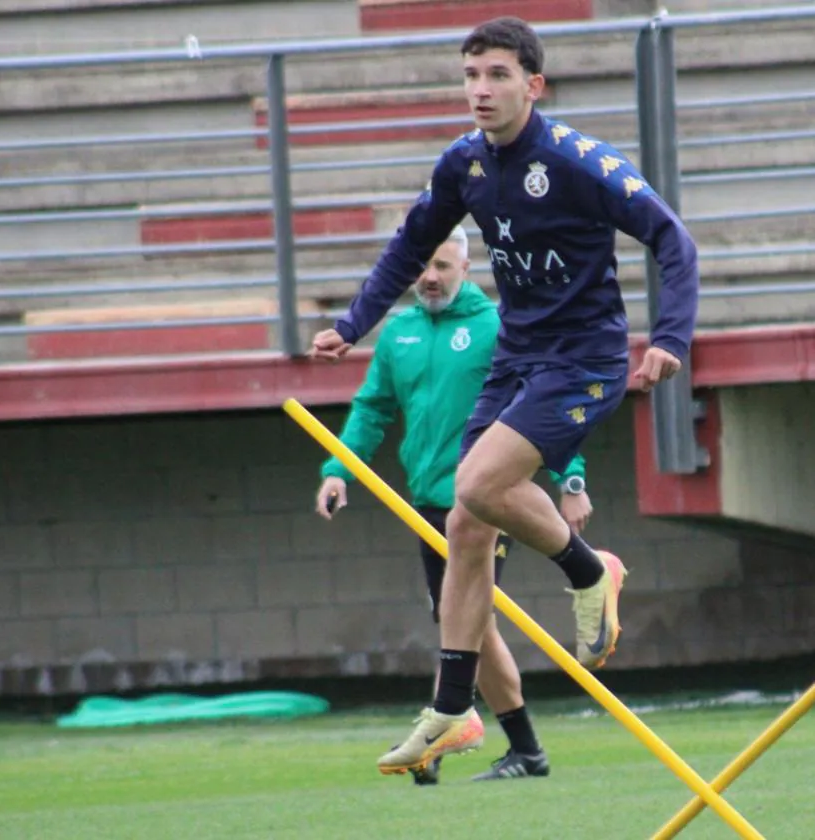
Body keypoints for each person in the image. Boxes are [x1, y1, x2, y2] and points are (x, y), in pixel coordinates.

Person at [309, 16, 699, 776]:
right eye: (470, 76)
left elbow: (672, 241)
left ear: (533, 84)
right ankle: (453, 711)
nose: (480, 91)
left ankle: (591, 571)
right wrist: (353, 323)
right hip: (519, 357)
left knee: (478, 484)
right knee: (464, 521)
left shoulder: (578, 161)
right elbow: (407, 243)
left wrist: (670, 339)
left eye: (496, 76)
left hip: (582, 357)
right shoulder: (464, 165)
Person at [315, 225, 592, 784]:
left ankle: (445, 738)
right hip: (428, 506)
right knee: (465, 623)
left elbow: (538, 405)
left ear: (467, 268)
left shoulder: (495, 327)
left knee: (466, 619)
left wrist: (572, 478)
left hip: (488, 504)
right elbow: (371, 410)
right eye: (422, 265)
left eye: (442, 265)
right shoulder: (399, 334)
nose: (429, 276)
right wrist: (338, 470)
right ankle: (520, 750)